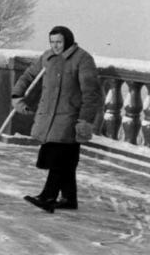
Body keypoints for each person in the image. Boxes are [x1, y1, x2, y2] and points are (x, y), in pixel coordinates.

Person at [12, 26, 102, 213]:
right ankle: (69, 199)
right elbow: (28, 75)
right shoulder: (47, 57)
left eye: (59, 42)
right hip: (49, 116)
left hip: (71, 117)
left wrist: (85, 119)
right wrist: (17, 95)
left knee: (59, 158)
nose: (55, 46)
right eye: (52, 42)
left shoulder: (83, 59)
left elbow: (91, 93)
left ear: (68, 40)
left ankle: (48, 196)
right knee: (66, 160)